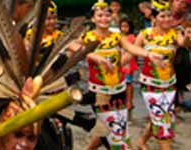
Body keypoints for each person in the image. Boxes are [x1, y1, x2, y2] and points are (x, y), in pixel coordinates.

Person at [68, 0, 163, 149]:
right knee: (113, 132)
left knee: (119, 127)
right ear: (93, 19)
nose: (104, 18)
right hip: (100, 92)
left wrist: (148, 54)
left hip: (119, 89)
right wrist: (93, 55)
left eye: (107, 15)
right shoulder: (88, 37)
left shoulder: (117, 36)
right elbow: (71, 45)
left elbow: (131, 48)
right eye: (99, 15)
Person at [135, 1, 191, 149]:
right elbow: (132, 52)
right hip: (150, 84)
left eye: (168, 16)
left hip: (170, 83)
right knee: (163, 122)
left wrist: (187, 37)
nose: (167, 19)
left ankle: (141, 141)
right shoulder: (144, 34)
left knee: (161, 116)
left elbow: (184, 44)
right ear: (154, 18)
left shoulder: (175, 33)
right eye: (162, 16)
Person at [119, 18, 138, 121]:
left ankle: (129, 101)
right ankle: (125, 100)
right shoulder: (120, 37)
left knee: (128, 83)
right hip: (122, 62)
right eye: (122, 26)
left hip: (129, 63)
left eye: (126, 26)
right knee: (124, 82)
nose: (124, 28)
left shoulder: (131, 38)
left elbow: (133, 52)